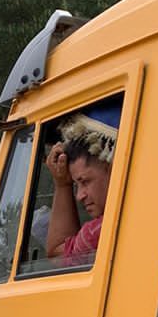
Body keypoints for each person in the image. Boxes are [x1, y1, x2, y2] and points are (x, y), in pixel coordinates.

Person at [44, 100, 121, 263]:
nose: (79, 196)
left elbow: (56, 254)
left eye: (85, 181)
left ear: (114, 168)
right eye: (75, 185)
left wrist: (62, 185)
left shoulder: (100, 232)